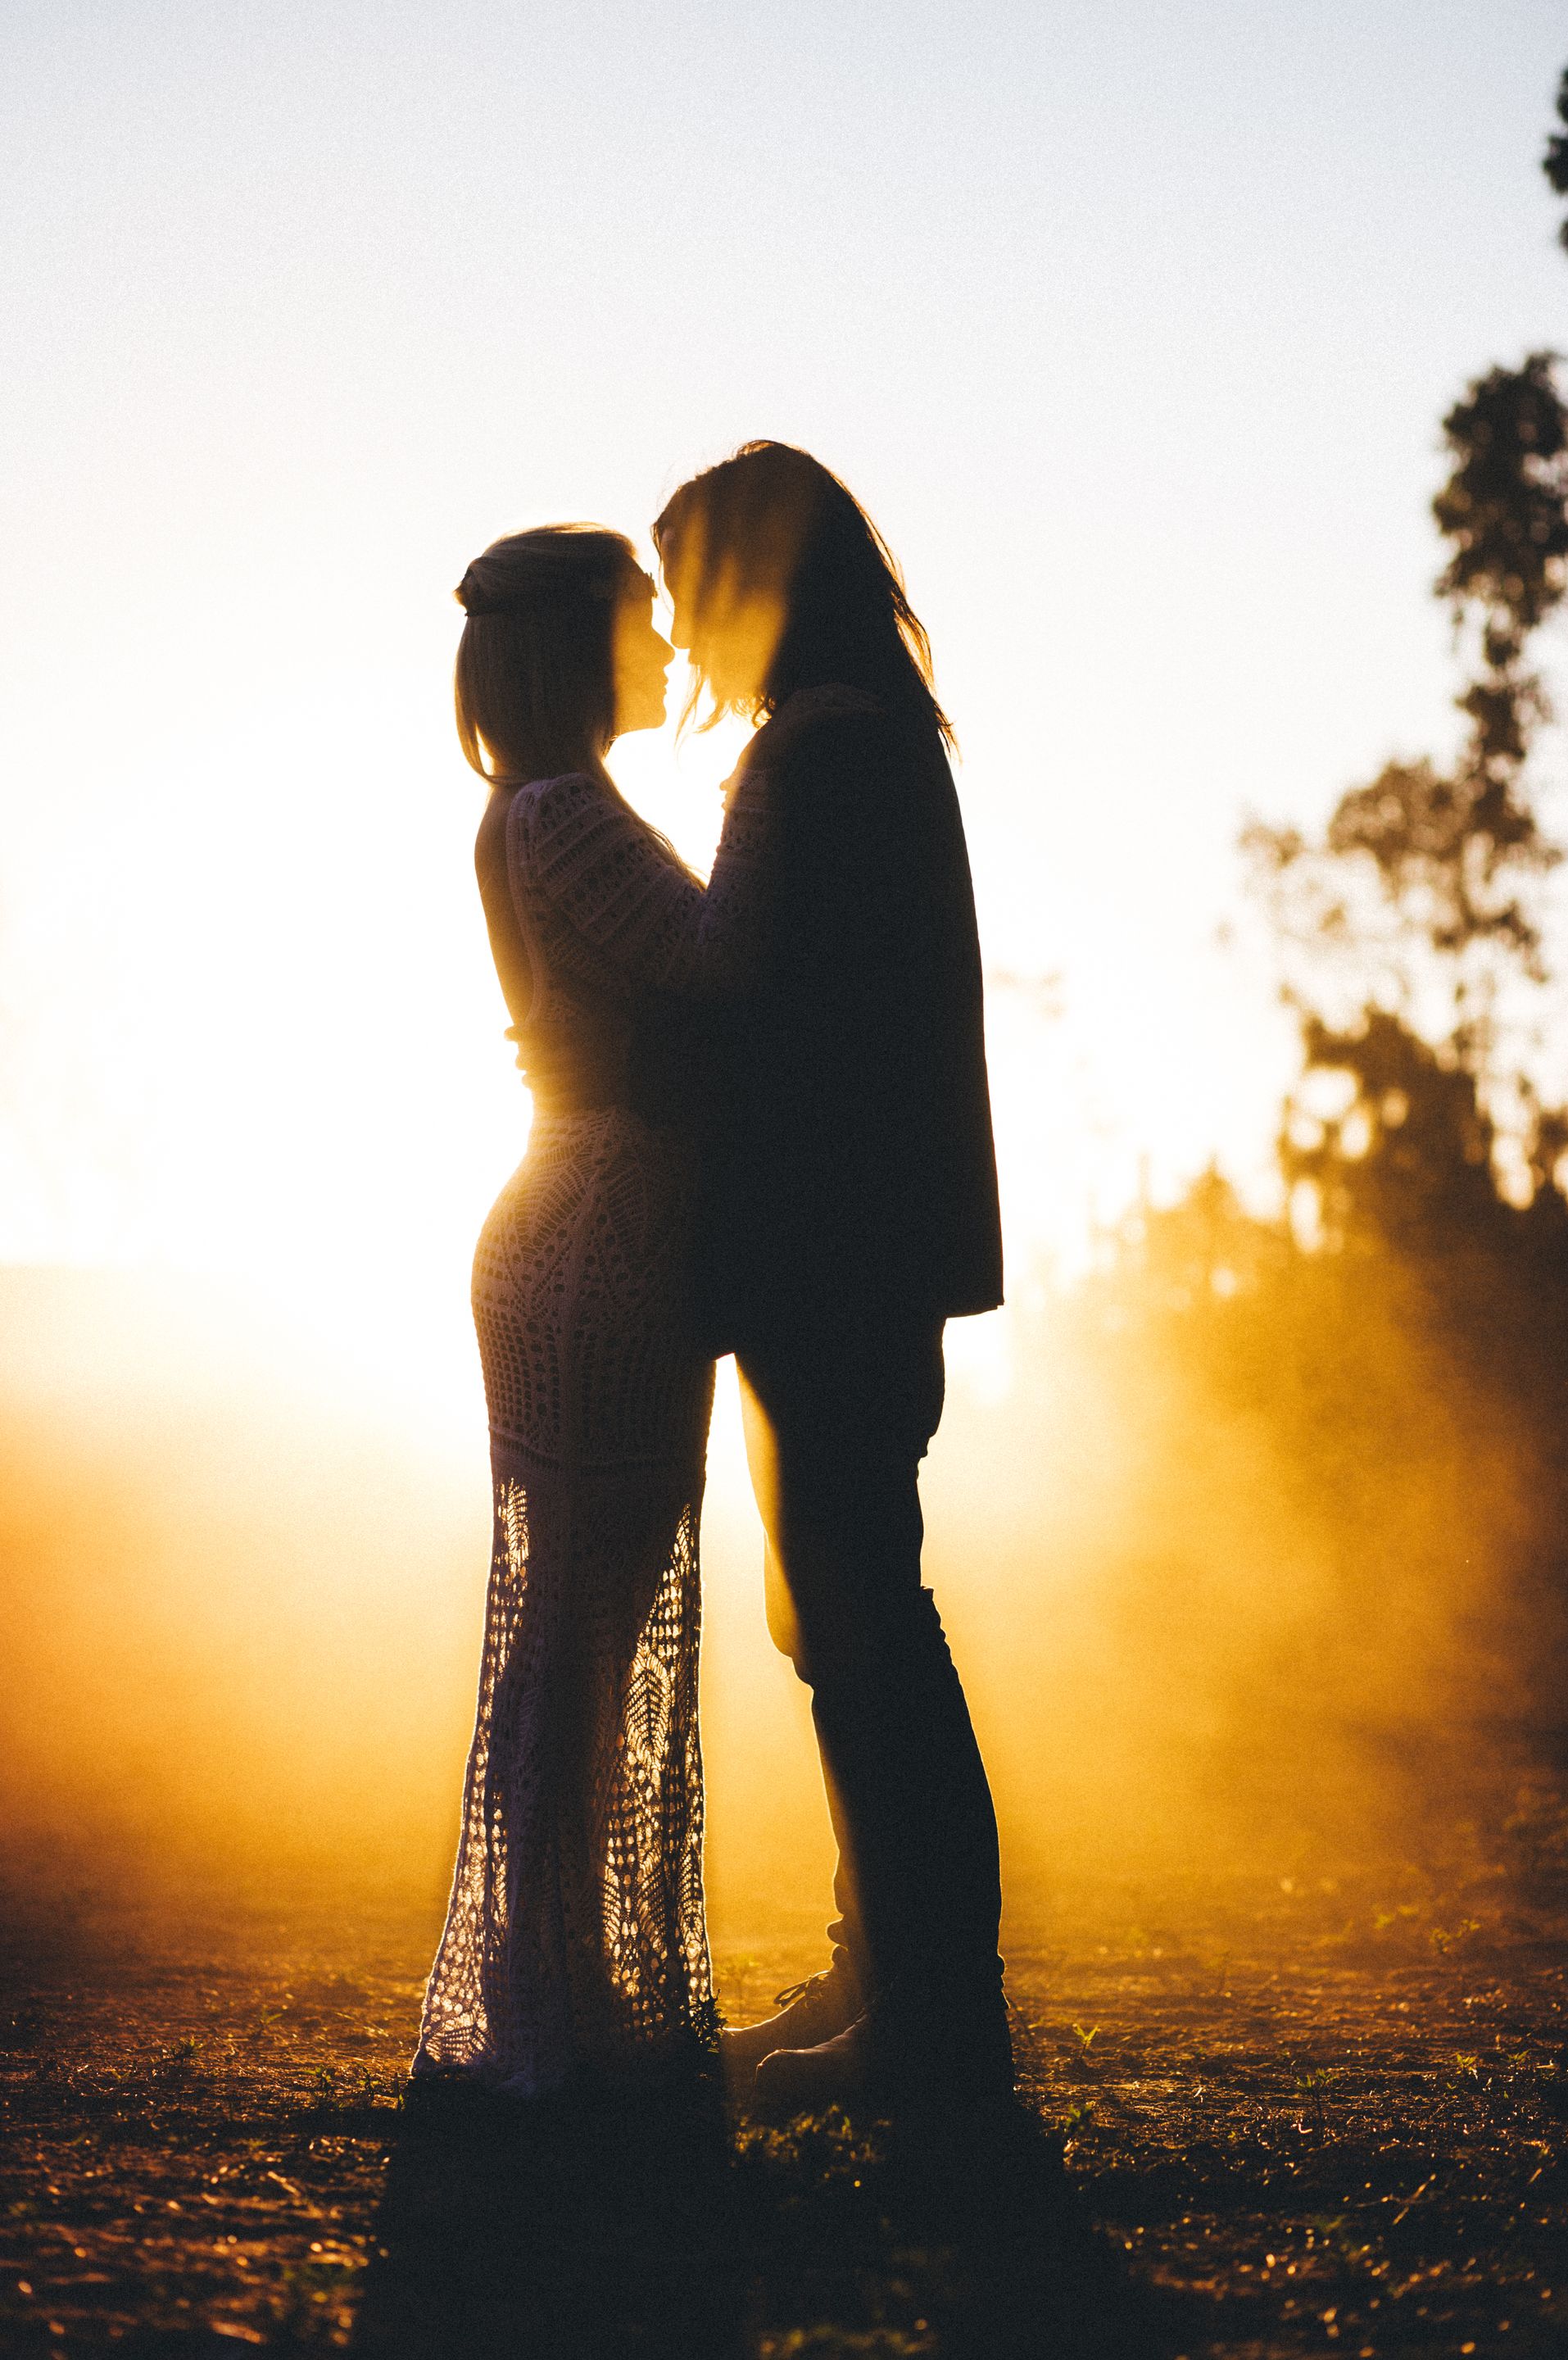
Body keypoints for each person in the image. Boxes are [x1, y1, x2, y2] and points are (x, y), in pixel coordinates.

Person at [652, 442, 1011, 2110]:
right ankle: (890, 1982)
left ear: (756, 581)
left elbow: (757, 1014)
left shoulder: (820, 757)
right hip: (865, 1256)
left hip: (829, 1261)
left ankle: (932, 2025)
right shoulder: (866, 744)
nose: (677, 636)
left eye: (690, 592)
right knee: (845, 1615)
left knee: (869, 1621)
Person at [411, 524, 773, 2097]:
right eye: (640, 614)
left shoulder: (545, 810)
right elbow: (723, 962)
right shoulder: (563, 818)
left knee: (584, 1620)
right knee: (581, 1625)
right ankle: (552, 1999)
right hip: (601, 1221)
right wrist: (769, 798)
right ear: (577, 647)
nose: (667, 637)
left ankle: (559, 1984)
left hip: (590, 1209)